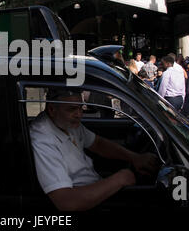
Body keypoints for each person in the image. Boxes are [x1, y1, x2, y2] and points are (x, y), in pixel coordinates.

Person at [29, 89, 159, 211]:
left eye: (81, 107)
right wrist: (119, 179)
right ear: (52, 109)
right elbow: (66, 201)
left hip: (94, 185)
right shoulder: (42, 139)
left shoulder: (66, 122)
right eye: (72, 109)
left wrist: (134, 157)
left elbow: (97, 143)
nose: (79, 114)